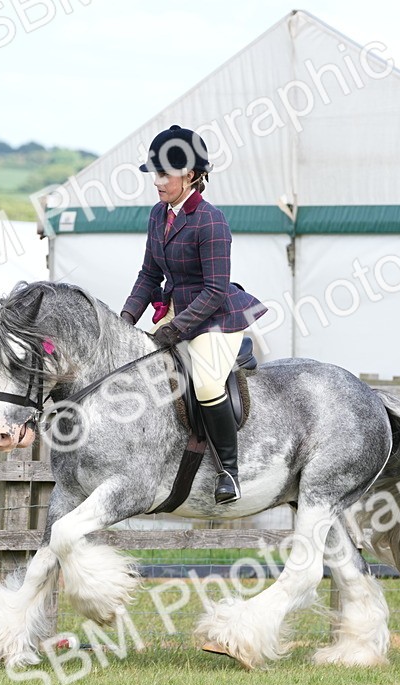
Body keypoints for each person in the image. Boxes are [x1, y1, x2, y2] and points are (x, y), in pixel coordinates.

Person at [119, 124, 267, 504]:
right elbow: (149, 274)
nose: (157, 182)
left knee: (205, 384)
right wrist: (125, 320)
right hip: (179, 316)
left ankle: (229, 473)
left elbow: (216, 289)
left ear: (190, 175)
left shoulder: (210, 221)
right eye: (155, 173)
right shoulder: (158, 215)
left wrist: (177, 328)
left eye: (165, 174)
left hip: (215, 318)